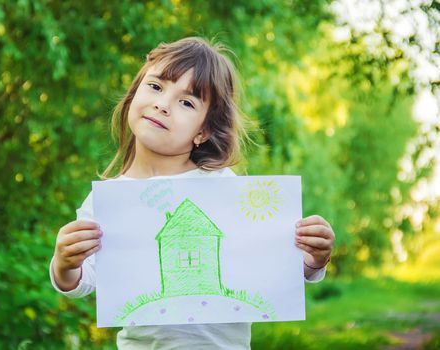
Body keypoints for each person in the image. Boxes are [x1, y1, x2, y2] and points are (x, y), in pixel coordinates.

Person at [50, 37, 335, 349]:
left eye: (186, 103)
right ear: (134, 94)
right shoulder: (107, 201)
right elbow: (84, 281)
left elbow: (268, 266)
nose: (162, 104)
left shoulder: (226, 188)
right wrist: (65, 264)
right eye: (156, 86)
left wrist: (312, 259)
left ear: (203, 131)